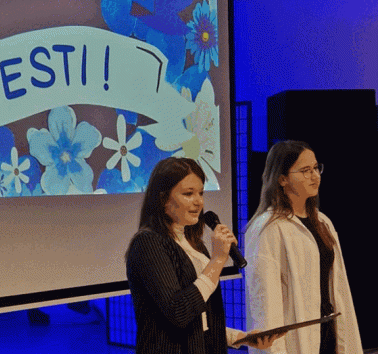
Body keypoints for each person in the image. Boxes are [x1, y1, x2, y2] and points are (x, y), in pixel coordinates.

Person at [126, 157, 279, 353]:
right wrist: (218, 260)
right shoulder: (148, 243)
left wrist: (241, 337)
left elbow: (200, 320)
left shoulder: (194, 243)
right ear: (163, 199)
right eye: (188, 193)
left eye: (201, 193)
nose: (198, 201)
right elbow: (179, 312)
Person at [245, 141, 363, 354]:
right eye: (306, 170)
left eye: (316, 168)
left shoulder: (323, 222)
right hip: (296, 340)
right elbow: (265, 303)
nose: (315, 176)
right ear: (282, 178)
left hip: (328, 332)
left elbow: (339, 288)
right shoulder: (268, 228)